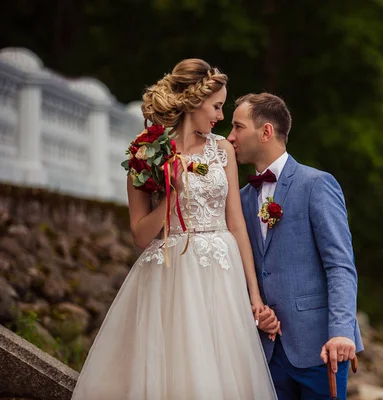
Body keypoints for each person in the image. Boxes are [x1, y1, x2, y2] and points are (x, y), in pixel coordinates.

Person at [72, 60, 278, 400]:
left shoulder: (222, 151)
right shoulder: (145, 153)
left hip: (220, 275)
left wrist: (254, 296)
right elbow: (140, 235)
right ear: (195, 103)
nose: (221, 116)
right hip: (168, 275)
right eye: (216, 106)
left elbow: (237, 224)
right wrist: (171, 194)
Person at [228, 93, 363, 400]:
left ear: (265, 132)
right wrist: (257, 312)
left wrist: (341, 332)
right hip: (266, 350)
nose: (230, 136)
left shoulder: (317, 184)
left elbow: (340, 264)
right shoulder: (243, 198)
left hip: (321, 347)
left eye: (238, 127)